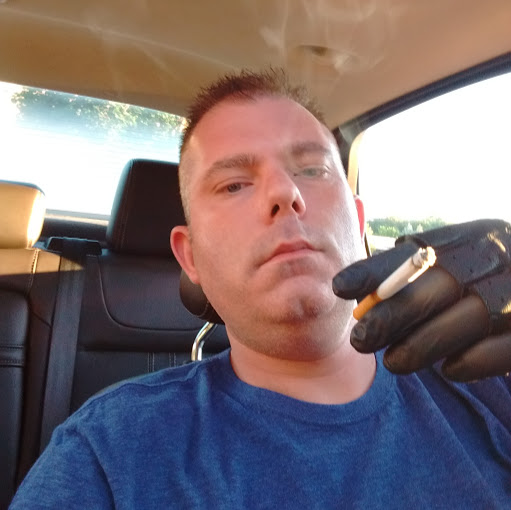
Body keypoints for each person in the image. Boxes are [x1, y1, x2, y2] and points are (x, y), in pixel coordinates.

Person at [10, 68, 511, 509]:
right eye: (233, 184)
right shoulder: (107, 452)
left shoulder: (485, 378)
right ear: (190, 256)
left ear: (359, 224)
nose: (284, 193)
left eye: (311, 170)